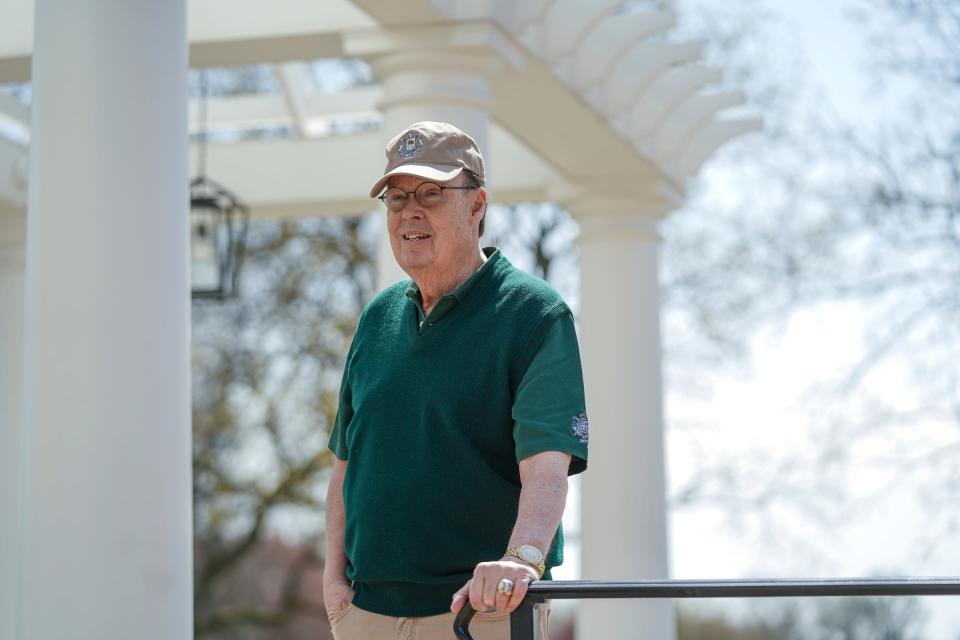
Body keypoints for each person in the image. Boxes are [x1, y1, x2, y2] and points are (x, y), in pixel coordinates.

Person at [323, 121, 589, 640]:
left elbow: (547, 466)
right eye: (396, 199)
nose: (410, 212)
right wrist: (334, 582)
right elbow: (345, 466)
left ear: (477, 205)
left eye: (431, 194)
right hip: (365, 617)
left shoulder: (534, 314)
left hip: (480, 614)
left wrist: (522, 560)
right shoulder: (377, 318)